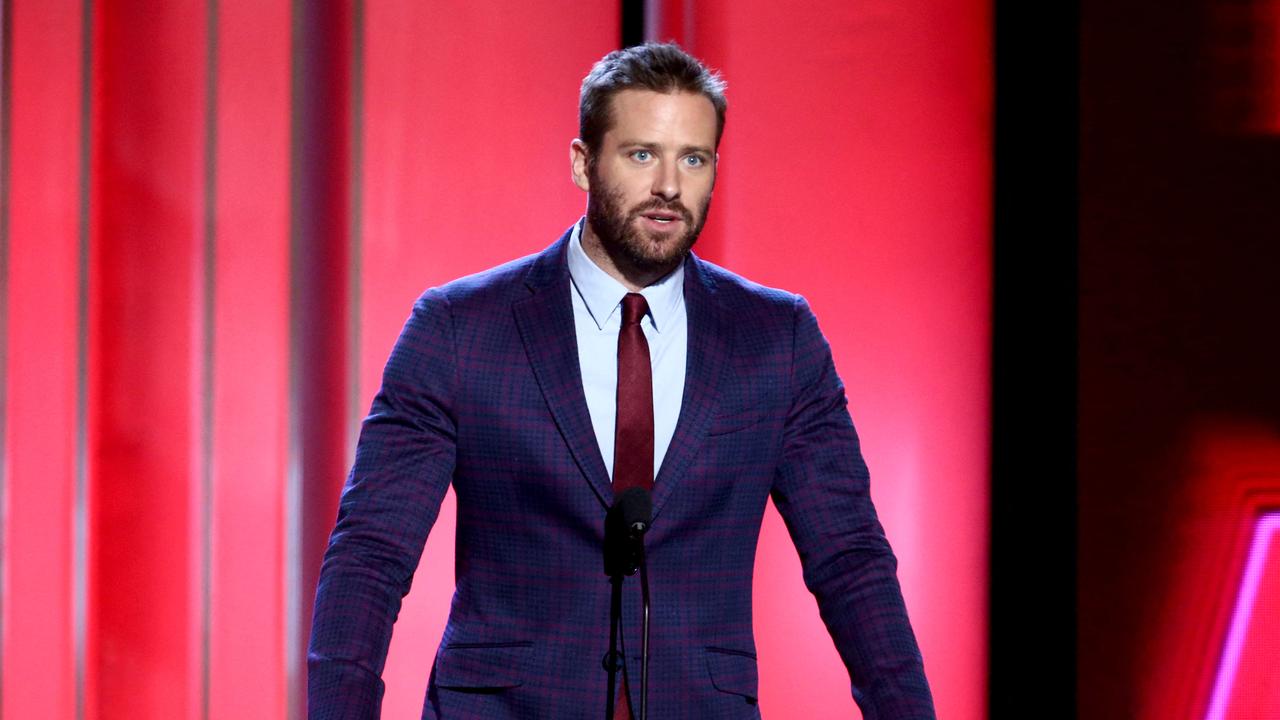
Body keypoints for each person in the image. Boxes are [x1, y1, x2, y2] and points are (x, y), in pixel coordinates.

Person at [307, 42, 935, 720]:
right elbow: (371, 553)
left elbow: (850, 560)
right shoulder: (460, 329)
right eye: (642, 155)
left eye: (692, 159)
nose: (669, 184)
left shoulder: (776, 339)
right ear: (583, 163)